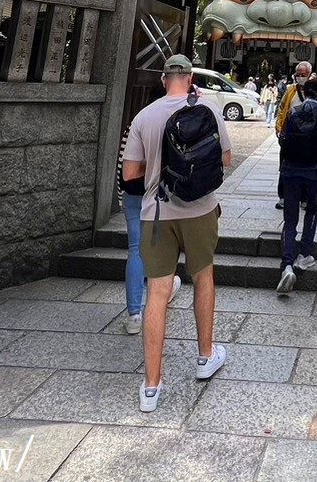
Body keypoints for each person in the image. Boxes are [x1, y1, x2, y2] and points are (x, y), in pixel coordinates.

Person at [121, 54, 233, 411]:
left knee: (157, 291)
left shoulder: (145, 116)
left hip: (158, 213)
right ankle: (205, 357)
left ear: (163, 80)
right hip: (200, 209)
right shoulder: (210, 108)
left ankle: (151, 387)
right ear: (190, 77)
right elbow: (226, 159)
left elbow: (129, 174)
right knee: (203, 278)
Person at [118, 120, 181, 334]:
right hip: (158, 196)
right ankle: (166, 288)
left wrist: (121, 199)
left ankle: (134, 314)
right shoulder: (172, 126)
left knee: (135, 248)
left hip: (132, 195)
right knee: (160, 248)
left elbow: (122, 169)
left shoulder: (134, 125)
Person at [277, 78, 317, 294]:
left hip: (291, 170)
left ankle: (286, 265)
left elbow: (283, 139)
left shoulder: (294, 112)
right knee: (311, 209)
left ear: (304, 93)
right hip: (316, 170)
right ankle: (304, 254)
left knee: (290, 217)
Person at [274, 60, 314, 209]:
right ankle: (283, 196)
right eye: (298, 74)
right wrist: (279, 126)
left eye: (303, 74)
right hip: (289, 134)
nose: (300, 77)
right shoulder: (290, 90)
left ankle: (304, 198)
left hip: (308, 137)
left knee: (305, 168)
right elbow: (282, 108)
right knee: (285, 166)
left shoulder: (314, 90)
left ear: (309, 74)